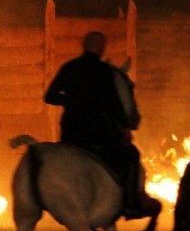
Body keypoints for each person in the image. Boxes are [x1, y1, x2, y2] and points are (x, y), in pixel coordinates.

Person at [44, 31, 151, 218]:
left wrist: (71, 100)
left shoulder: (69, 68)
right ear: (102, 48)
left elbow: (50, 96)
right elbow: (115, 105)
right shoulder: (105, 72)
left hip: (71, 134)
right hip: (100, 136)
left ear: (83, 46)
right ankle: (131, 204)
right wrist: (126, 127)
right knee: (131, 155)